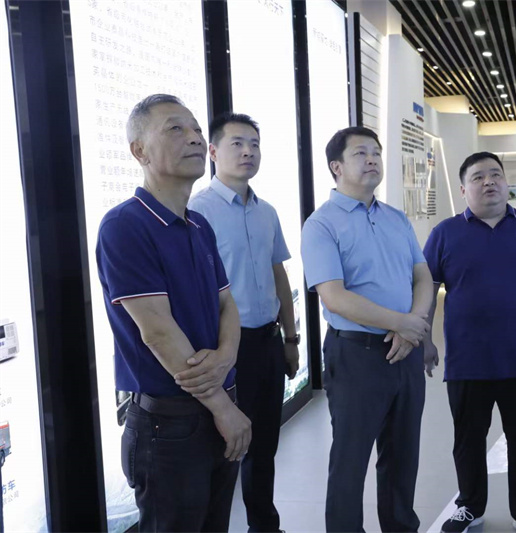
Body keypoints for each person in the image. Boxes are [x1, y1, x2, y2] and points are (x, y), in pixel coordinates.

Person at [96, 94, 252, 532]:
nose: (195, 138)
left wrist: (226, 357)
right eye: (176, 129)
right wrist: (223, 407)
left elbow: (227, 304)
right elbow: (158, 331)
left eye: (197, 129)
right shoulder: (125, 226)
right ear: (139, 151)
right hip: (168, 425)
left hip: (215, 406)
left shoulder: (198, 225)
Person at [422, 152, 516, 533]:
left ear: (507, 183)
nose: (488, 181)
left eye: (495, 174)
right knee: (468, 439)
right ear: (463, 189)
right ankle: (469, 506)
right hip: (467, 359)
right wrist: (424, 338)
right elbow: (426, 291)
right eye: (478, 177)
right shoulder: (445, 233)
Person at [300, 126, 434, 533]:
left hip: (405, 351)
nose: (372, 158)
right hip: (356, 354)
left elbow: (423, 276)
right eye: (361, 153)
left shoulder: (395, 218)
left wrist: (412, 328)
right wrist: (402, 323)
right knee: (350, 458)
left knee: (403, 455)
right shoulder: (321, 225)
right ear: (336, 167)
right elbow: (334, 297)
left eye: (376, 151)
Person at [188, 112, 299, 533]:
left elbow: (278, 273)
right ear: (214, 152)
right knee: (224, 446)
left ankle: (263, 526)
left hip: (268, 341)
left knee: (264, 444)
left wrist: (291, 337)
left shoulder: (266, 211)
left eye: (254, 143)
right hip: (226, 347)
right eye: (237, 143)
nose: (248, 151)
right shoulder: (197, 211)